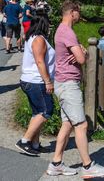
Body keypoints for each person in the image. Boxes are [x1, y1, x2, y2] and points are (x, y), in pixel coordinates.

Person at [47, 0, 104, 178]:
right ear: (72, 12)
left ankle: (56, 164)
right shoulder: (67, 31)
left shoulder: (61, 30)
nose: (79, 15)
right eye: (78, 12)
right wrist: (82, 52)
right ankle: (88, 166)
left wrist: (80, 51)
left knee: (67, 124)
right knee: (81, 125)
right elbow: (82, 59)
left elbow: (77, 55)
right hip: (68, 84)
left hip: (63, 82)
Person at [15, 11, 55, 156]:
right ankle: (25, 141)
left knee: (37, 113)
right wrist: (48, 81)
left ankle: (35, 144)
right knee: (46, 111)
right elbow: (39, 61)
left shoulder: (31, 38)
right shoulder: (39, 39)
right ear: (43, 24)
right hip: (36, 81)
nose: (50, 26)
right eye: (48, 23)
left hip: (30, 80)